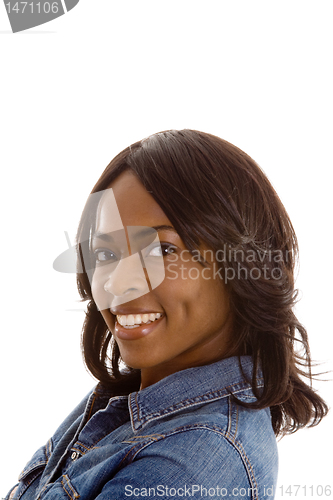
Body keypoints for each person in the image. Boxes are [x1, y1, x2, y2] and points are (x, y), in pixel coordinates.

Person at [6, 129, 328, 500]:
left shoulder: (190, 464)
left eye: (161, 249)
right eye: (106, 254)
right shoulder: (131, 405)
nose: (117, 284)